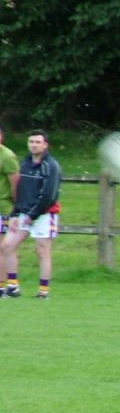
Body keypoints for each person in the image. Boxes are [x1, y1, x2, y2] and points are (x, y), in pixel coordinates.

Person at [2, 129, 62, 299]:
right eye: (31, 142)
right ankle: (13, 287)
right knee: (7, 246)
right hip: (24, 213)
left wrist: (32, 215)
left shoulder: (51, 166)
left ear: (45, 145)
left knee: (42, 251)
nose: (34, 145)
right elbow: (20, 191)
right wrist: (15, 214)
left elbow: (49, 195)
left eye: (37, 142)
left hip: (44, 215)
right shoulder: (25, 164)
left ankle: (43, 291)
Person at [0, 124, 19, 238]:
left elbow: (16, 185)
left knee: (1, 247)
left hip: (2, 206)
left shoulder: (7, 156)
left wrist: (16, 208)